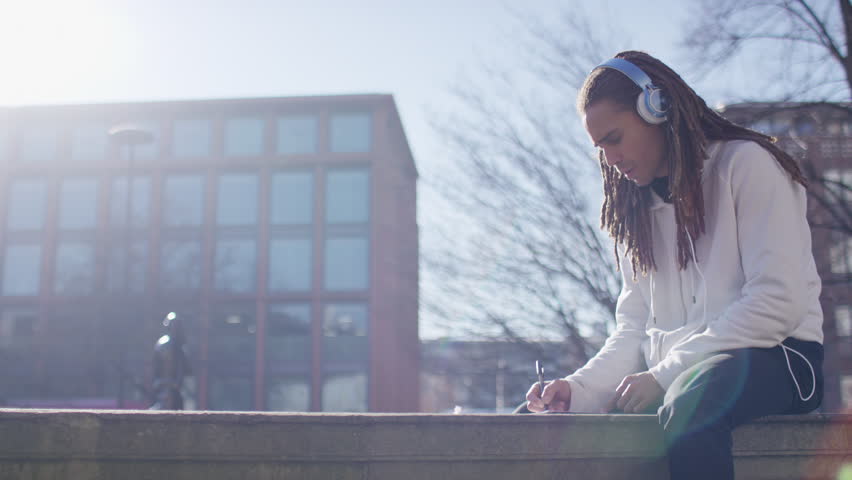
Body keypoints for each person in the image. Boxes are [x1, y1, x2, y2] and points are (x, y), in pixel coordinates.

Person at [525, 51, 824, 480]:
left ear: (657, 109)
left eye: (615, 138)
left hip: (779, 356)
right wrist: (578, 390)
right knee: (534, 420)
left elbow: (777, 301)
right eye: (600, 147)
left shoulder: (747, 166)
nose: (610, 159)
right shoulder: (634, 210)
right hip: (681, 375)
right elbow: (633, 330)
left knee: (691, 402)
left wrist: (666, 374)